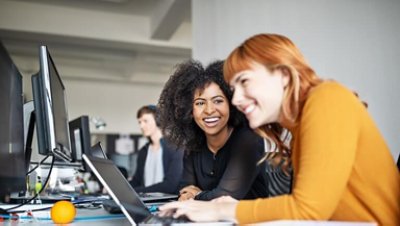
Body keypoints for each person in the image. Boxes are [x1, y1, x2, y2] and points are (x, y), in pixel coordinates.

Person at [159, 34, 400, 225]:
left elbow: (308, 209)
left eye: (244, 82)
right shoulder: (301, 125)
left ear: (283, 75)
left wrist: (221, 208)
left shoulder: (327, 99)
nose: (236, 99)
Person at [157, 60, 270, 201]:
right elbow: (184, 190)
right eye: (200, 103)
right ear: (189, 110)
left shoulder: (249, 140)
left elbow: (226, 197)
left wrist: (196, 195)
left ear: (232, 104)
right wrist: (190, 194)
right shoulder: (193, 145)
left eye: (218, 101)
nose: (209, 110)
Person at [129, 105, 183, 194]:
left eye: (145, 121)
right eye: (139, 122)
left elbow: (170, 185)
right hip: (145, 201)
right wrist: (118, 189)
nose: (141, 126)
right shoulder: (143, 151)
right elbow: (136, 181)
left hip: (166, 202)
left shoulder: (175, 148)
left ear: (158, 121)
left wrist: (135, 191)